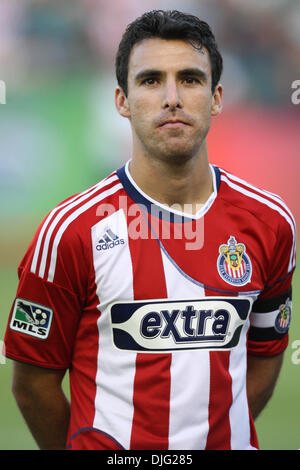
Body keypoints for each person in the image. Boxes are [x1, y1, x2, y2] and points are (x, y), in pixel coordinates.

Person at [4, 10, 296, 451]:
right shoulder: (69, 231)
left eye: (191, 79)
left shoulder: (271, 223)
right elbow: (32, 385)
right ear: (121, 100)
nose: (173, 97)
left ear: (217, 98)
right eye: (151, 80)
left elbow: (266, 354)